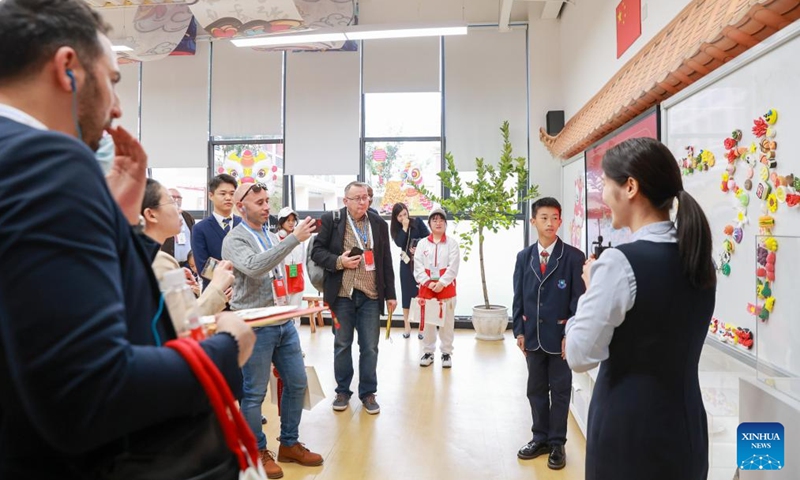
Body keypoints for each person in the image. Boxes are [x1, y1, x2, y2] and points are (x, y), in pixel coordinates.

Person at [0, 1, 255, 478]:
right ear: (68, 68)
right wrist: (225, 348)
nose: (116, 107)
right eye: (112, 80)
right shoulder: (47, 159)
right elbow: (88, 394)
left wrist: (117, 220)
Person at [565, 138, 716, 480]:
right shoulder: (698, 260)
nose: (602, 196)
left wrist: (590, 292)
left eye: (605, 184)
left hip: (628, 436)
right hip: (686, 429)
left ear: (630, 186)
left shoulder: (619, 264)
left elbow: (579, 354)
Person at [221, 182, 322, 478]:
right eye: (259, 202)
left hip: (282, 319)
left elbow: (279, 268)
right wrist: (291, 240)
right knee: (253, 393)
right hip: (255, 325)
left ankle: (289, 444)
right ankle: (257, 450)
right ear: (242, 207)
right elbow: (254, 267)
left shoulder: (267, 233)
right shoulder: (235, 239)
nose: (267, 207)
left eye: (267, 201)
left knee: (297, 381)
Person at [310, 181, 397, 414]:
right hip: (342, 295)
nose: (362, 202)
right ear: (345, 200)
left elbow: (386, 260)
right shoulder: (332, 220)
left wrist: (391, 294)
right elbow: (317, 252)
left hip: (371, 294)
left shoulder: (378, 223)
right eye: (357, 198)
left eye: (366, 197)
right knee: (342, 344)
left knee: (370, 346)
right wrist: (340, 261)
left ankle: (368, 392)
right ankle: (342, 391)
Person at [512, 197, 585, 470]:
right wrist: (519, 330)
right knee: (536, 389)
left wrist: (571, 334)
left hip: (561, 337)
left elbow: (578, 301)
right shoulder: (524, 257)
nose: (550, 223)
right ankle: (539, 437)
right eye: (544, 218)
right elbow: (518, 297)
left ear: (561, 221)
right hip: (532, 335)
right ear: (533, 221)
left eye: (554, 218)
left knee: (561, 390)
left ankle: (557, 443)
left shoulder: (573, 257)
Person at [142, 178, 234, 315]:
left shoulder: (151, 257)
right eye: (172, 203)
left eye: (232, 193)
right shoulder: (159, 261)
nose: (180, 210)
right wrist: (217, 287)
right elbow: (183, 322)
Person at [413, 207, 460, 367]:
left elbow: (453, 267)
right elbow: (417, 266)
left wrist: (441, 283)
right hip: (427, 289)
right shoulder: (422, 244)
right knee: (428, 323)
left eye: (441, 220)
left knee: (447, 324)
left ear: (446, 224)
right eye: (434, 220)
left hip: (446, 289)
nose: (438, 223)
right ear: (430, 224)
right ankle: (428, 352)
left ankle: (446, 353)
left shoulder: (452, 244)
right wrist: (428, 282)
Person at [192, 173, 239, 289]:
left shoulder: (244, 224)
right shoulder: (200, 229)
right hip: (215, 292)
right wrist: (229, 282)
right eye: (222, 194)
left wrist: (239, 286)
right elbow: (203, 267)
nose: (228, 198)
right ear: (211, 196)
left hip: (245, 293)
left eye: (232, 194)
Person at [390, 203, 430, 339]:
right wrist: (404, 228)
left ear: (408, 212)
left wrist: (418, 245)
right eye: (400, 216)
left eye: (405, 214)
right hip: (406, 264)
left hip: (420, 263)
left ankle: (421, 326)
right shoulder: (396, 229)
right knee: (406, 294)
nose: (403, 217)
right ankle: (407, 325)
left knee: (421, 294)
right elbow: (400, 243)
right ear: (396, 218)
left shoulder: (417, 222)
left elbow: (428, 237)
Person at [277, 206, 307, 320]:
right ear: (281, 222)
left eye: (293, 220)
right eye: (288, 220)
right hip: (282, 277)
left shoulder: (300, 239)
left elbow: (303, 259)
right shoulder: (275, 239)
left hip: (297, 276)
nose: (291, 223)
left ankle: (295, 335)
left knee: (296, 312)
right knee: (282, 312)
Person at [160, 187, 195, 263]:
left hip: (188, 263)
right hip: (168, 262)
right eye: (173, 197)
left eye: (179, 197)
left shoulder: (187, 217)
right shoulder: (161, 217)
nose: (176, 200)